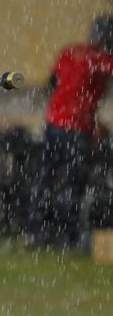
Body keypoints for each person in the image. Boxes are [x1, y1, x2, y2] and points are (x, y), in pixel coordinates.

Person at [26, 16, 113, 248]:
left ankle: (34, 232)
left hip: (54, 123)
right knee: (74, 183)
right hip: (76, 129)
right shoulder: (102, 60)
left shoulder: (69, 52)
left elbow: (53, 82)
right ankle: (68, 236)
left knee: (44, 178)